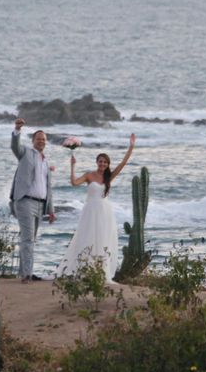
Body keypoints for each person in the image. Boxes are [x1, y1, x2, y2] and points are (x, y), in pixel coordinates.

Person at [57, 133, 136, 282]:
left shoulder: (109, 177)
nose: (102, 164)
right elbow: (74, 183)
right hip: (90, 211)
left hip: (105, 212)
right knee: (86, 238)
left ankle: (99, 271)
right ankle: (84, 269)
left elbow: (123, 163)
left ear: (107, 164)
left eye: (105, 162)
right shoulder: (89, 175)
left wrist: (131, 147)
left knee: (102, 239)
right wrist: (72, 166)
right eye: (100, 162)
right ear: (96, 162)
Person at [10, 118, 55, 283]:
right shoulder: (25, 153)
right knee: (28, 239)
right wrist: (17, 130)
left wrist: (51, 210)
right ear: (33, 141)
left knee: (29, 239)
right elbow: (14, 146)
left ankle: (24, 272)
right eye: (38, 139)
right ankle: (27, 275)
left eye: (43, 139)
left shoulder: (45, 162)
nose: (41, 141)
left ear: (46, 142)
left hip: (40, 205)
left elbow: (48, 188)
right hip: (25, 201)